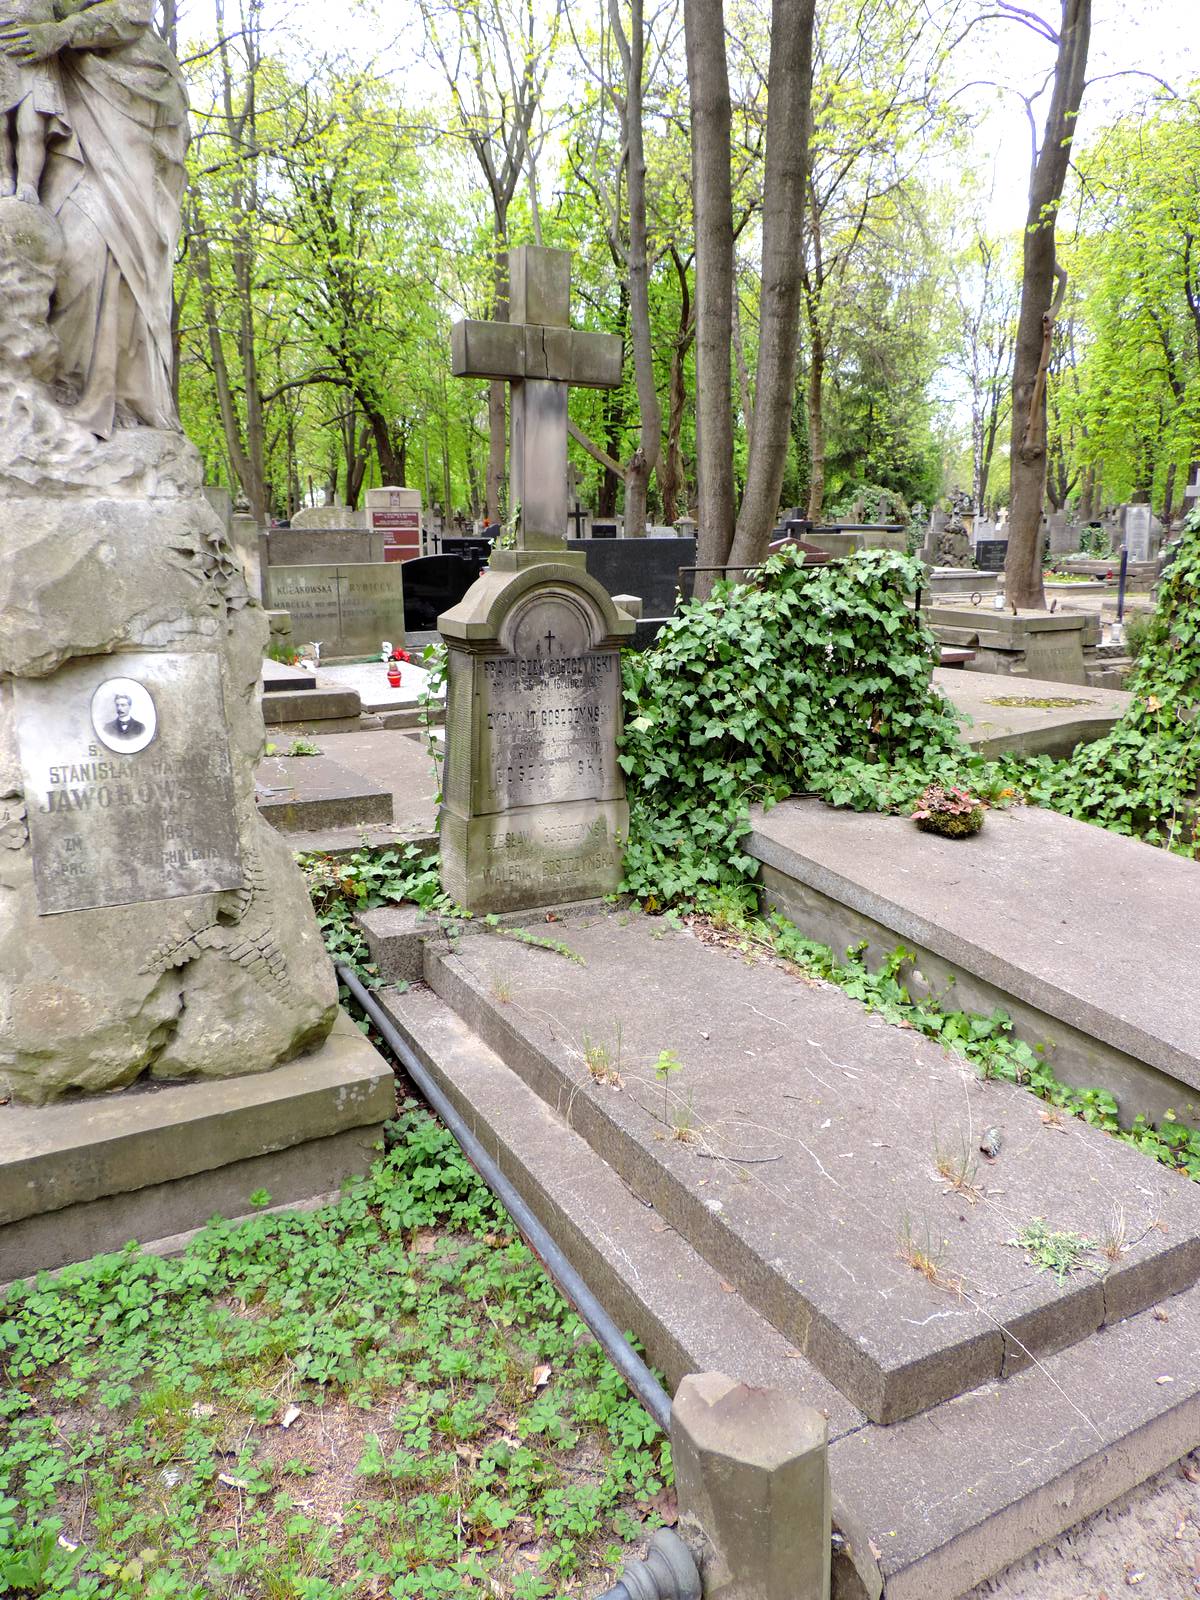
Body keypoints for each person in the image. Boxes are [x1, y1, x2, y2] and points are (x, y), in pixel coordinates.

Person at [0, 0, 189, 437]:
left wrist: (61, 33)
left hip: (130, 95)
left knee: (108, 251)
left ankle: (120, 400)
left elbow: (135, 9)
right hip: (62, 99)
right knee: (65, 254)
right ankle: (65, 394)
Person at [0, 0, 67, 204]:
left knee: (31, 126)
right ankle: (4, 177)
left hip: (37, 55)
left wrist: (57, 32)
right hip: (3, 56)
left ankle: (28, 183)